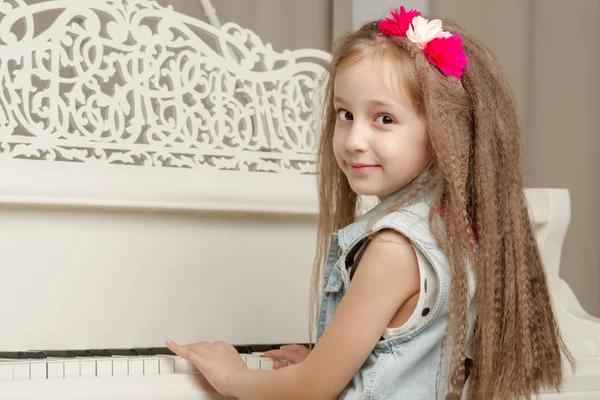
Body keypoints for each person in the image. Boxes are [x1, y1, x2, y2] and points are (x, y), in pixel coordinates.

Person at [166, 6, 573, 399]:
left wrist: (232, 376)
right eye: (345, 114)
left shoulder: (394, 248)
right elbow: (406, 360)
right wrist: (325, 363)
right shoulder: (455, 223)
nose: (354, 140)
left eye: (384, 119)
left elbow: (310, 390)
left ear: (444, 132)